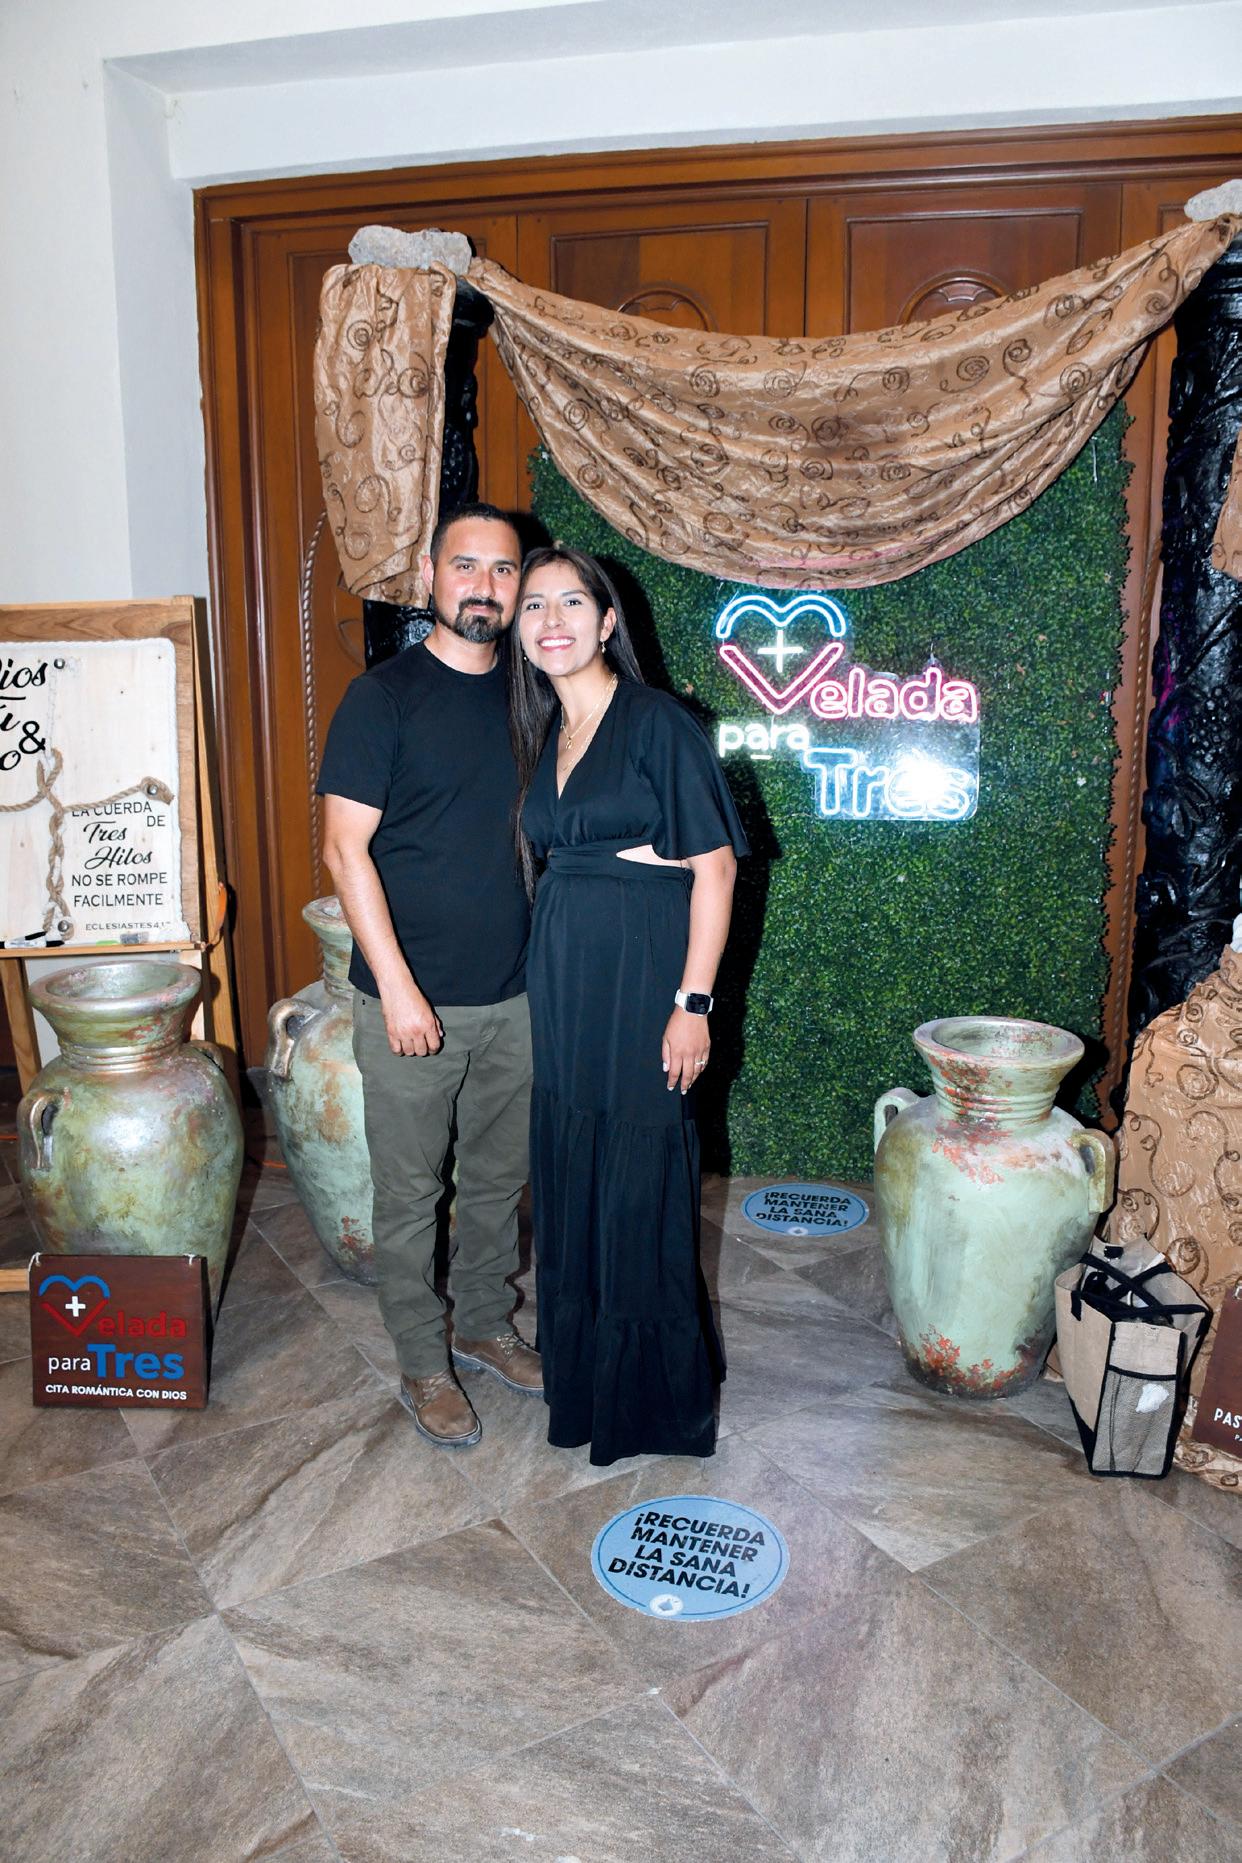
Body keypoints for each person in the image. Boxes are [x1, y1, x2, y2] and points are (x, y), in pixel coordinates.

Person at [511, 545, 749, 1464]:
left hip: (646, 975)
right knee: (576, 1174)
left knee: (641, 1178)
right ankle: (583, 1389)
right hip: (566, 983)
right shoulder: (546, 731)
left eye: (572, 601)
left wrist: (693, 1002)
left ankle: (650, 1403)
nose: (552, 620)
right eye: (535, 605)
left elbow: (715, 869)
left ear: (608, 621)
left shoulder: (657, 722)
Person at [318, 503, 542, 1448]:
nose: (484, 586)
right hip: (410, 1002)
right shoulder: (383, 698)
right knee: (411, 1197)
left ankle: (484, 1323)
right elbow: (344, 850)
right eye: (466, 566)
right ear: (429, 576)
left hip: (519, 999)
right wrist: (399, 987)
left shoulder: (534, 698)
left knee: (497, 1183)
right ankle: (422, 1359)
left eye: (503, 570)